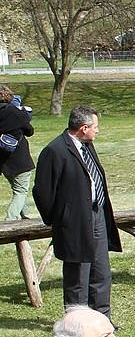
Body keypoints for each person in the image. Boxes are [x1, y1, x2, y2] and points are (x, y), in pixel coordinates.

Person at [33, 105, 119, 318]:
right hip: (74, 222)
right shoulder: (55, 151)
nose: (97, 130)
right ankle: (76, 323)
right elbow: (42, 192)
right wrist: (61, 218)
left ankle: (102, 320)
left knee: (101, 271)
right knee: (78, 276)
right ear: (83, 128)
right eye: (95, 126)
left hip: (97, 214)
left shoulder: (87, 145)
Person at [0, 85, 35, 220]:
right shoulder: (15, 112)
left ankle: (24, 216)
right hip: (19, 159)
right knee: (21, 191)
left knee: (17, 189)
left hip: (3, 160)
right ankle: (11, 220)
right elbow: (29, 131)